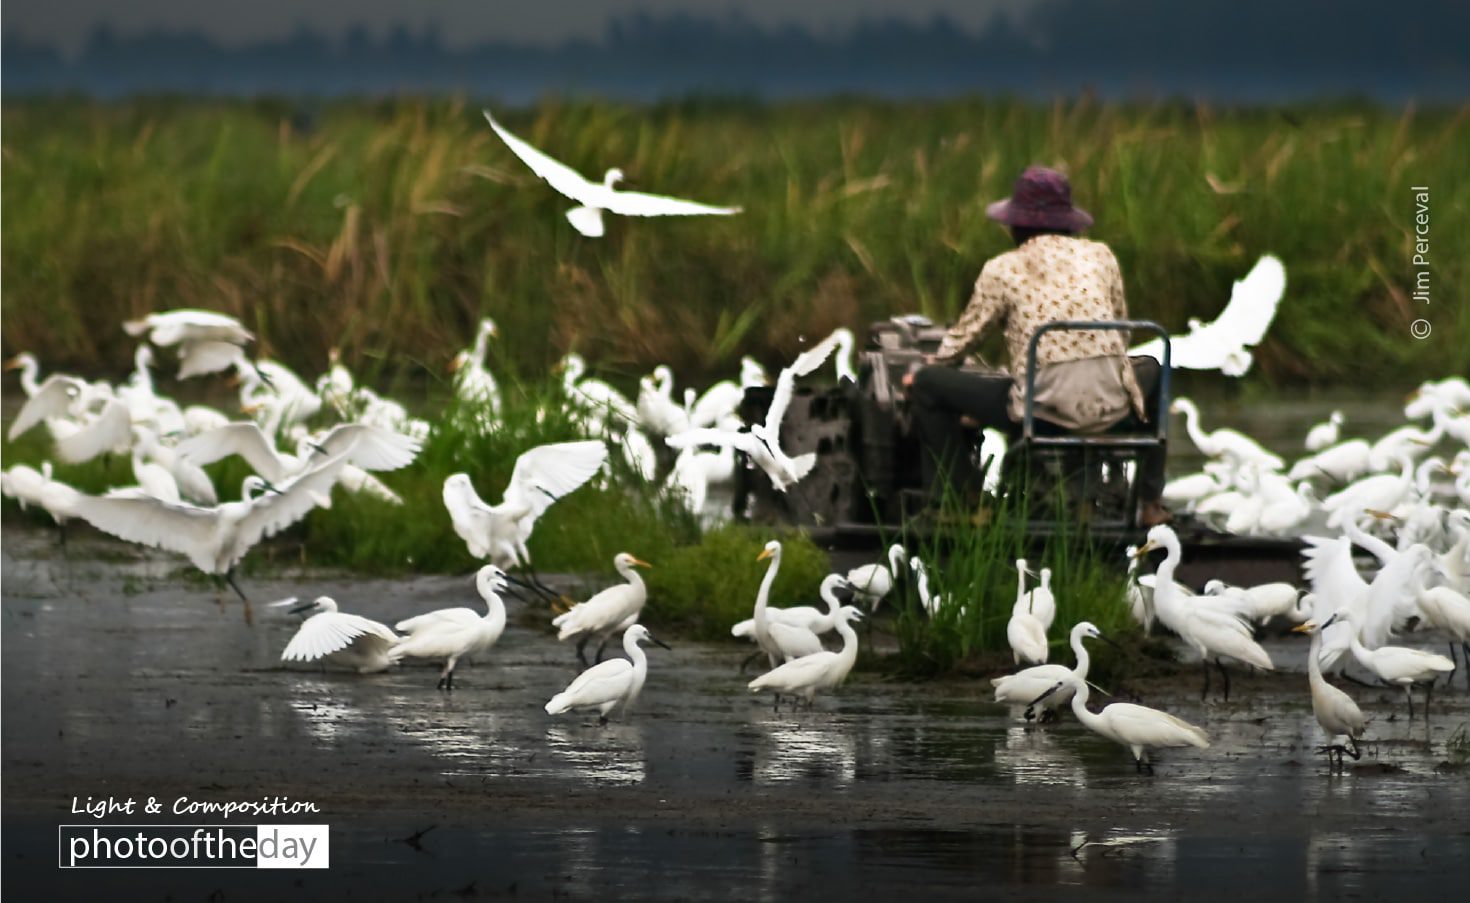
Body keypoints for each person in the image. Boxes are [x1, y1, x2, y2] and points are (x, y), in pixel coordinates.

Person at [903, 165, 1168, 526]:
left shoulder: (1003, 267)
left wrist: (926, 367)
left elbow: (962, 341)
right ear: (1070, 224)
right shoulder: (1101, 256)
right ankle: (1150, 501)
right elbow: (1120, 331)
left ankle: (961, 500)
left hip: (1042, 415)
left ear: (1016, 226)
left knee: (928, 386)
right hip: (1112, 407)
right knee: (1156, 366)